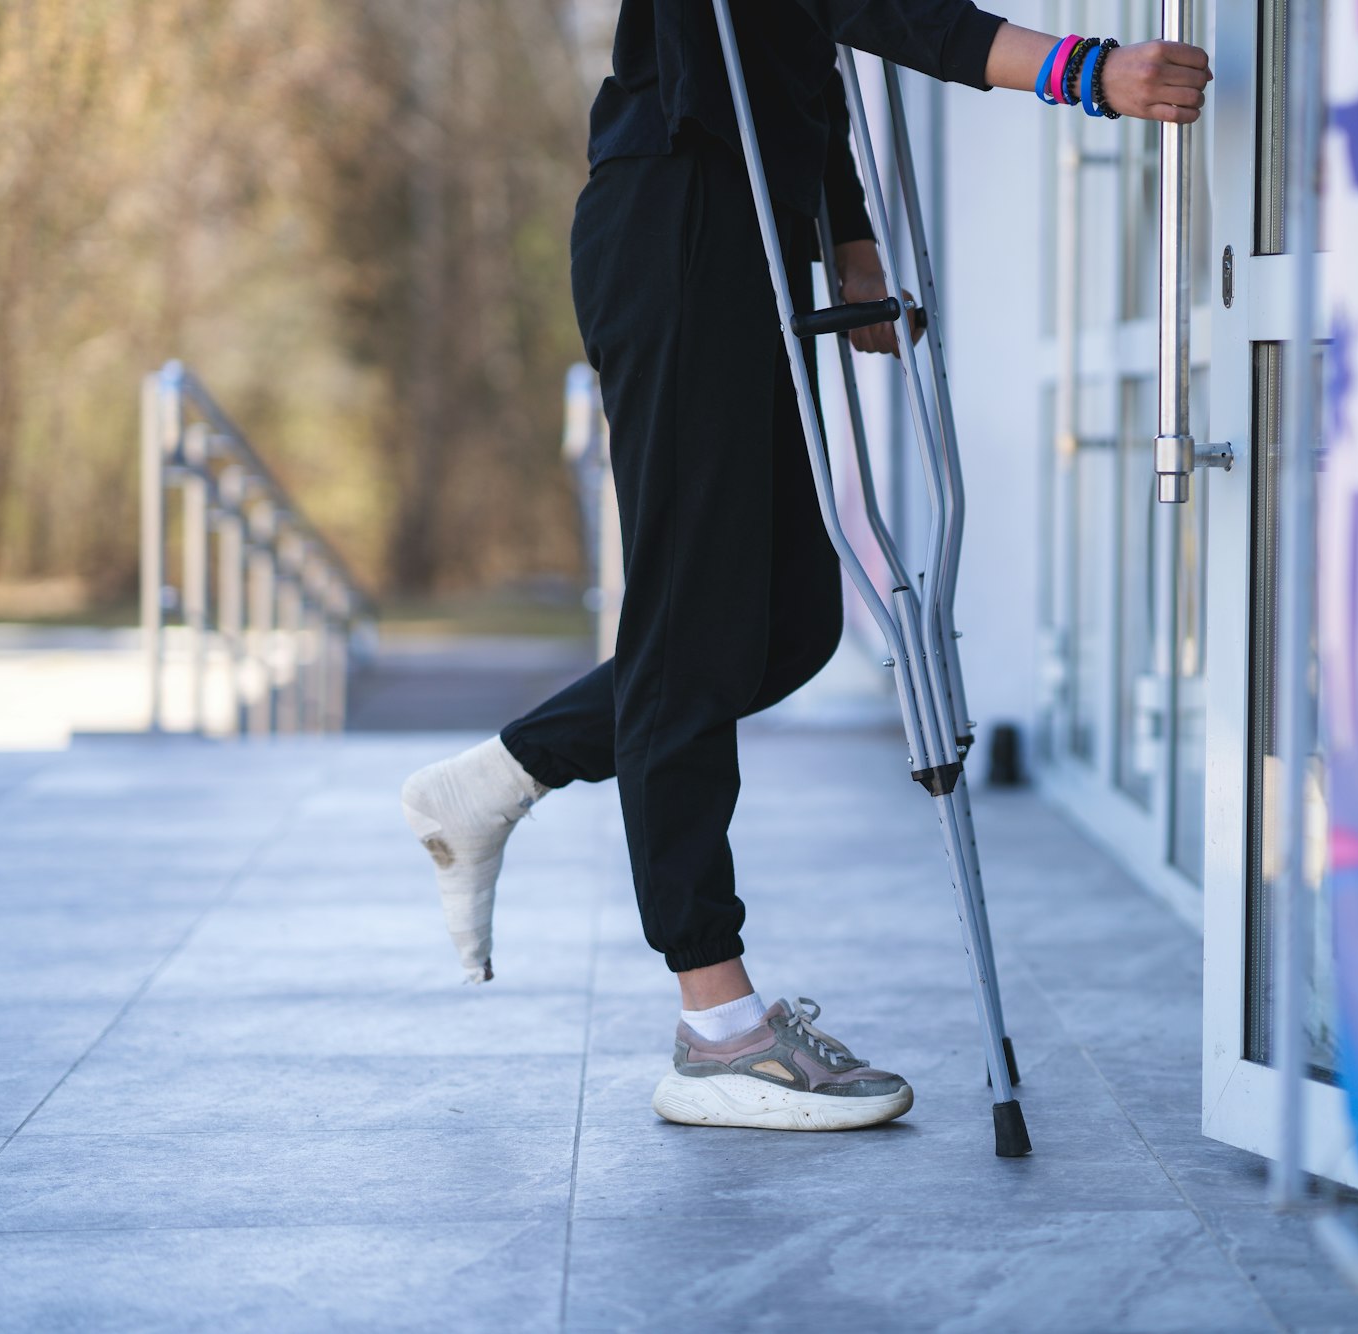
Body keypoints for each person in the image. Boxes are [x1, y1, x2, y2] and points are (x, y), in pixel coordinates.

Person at [401, 0, 1211, 1133]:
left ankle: (500, 775)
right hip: (679, 228)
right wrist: (1081, 70)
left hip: (748, 244)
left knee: (787, 626)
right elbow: (875, 7)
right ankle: (717, 1030)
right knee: (691, 632)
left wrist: (849, 226)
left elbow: (791, 52)